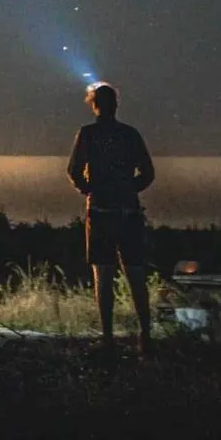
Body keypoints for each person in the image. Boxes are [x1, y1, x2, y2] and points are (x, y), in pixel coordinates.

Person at [66, 82, 156, 357]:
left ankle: (107, 339)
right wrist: (128, 190)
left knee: (103, 275)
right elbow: (148, 173)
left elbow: (73, 170)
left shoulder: (88, 134)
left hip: (102, 213)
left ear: (94, 105)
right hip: (128, 212)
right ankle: (145, 336)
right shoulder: (129, 135)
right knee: (136, 274)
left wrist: (90, 189)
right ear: (116, 104)